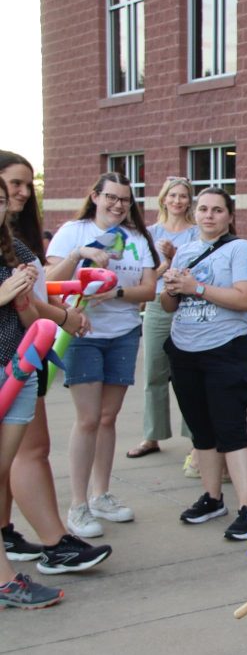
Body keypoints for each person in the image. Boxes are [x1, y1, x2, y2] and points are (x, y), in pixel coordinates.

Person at [0, 151, 110, 574]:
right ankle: (54, 544)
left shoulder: (15, 242)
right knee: (31, 451)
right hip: (15, 360)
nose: (25, 193)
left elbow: (33, 294)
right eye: (15, 184)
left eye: (30, 185)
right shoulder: (10, 247)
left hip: (22, 357)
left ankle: (8, 530)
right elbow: (28, 306)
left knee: (18, 455)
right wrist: (67, 317)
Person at [47, 172, 158, 539]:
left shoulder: (138, 238)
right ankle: (77, 504)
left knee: (108, 418)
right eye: (110, 197)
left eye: (125, 200)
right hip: (82, 332)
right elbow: (48, 279)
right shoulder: (72, 231)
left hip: (123, 333)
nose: (117, 205)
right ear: (95, 196)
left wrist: (114, 295)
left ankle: (101, 495)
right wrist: (81, 254)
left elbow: (148, 290)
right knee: (89, 419)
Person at [161, 187, 247, 541]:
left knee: (231, 430)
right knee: (201, 431)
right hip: (184, 350)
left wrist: (197, 288)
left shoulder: (241, 249)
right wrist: (172, 288)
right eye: (202, 209)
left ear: (229, 216)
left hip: (225, 350)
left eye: (217, 210)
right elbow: (168, 305)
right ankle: (212, 498)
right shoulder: (185, 251)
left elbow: (245, 299)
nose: (208, 215)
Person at [0, 178, 64, 608]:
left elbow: (28, 323)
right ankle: (5, 581)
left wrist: (23, 299)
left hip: (14, 373)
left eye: (2, 199)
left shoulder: (16, 251)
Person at [128, 177, 199, 459]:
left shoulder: (196, 233)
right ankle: (152, 436)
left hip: (189, 306)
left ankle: (197, 437)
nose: (178, 201)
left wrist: (176, 256)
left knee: (190, 373)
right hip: (157, 305)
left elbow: (198, 270)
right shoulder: (150, 233)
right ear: (164, 199)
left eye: (183, 196)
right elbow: (142, 278)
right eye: (173, 196)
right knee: (154, 373)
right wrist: (166, 263)